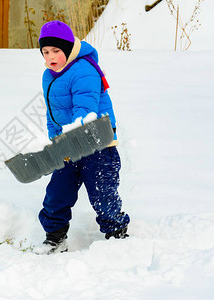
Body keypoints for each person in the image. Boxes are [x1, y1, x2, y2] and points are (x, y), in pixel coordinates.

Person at [35, 20, 130, 255]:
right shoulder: (50, 75)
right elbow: (52, 111)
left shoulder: (83, 70)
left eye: (56, 50)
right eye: (46, 52)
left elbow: (85, 110)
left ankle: (117, 236)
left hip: (97, 143)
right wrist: (56, 140)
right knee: (58, 193)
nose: (51, 56)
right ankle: (55, 239)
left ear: (68, 49)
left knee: (102, 193)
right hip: (69, 144)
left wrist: (71, 135)